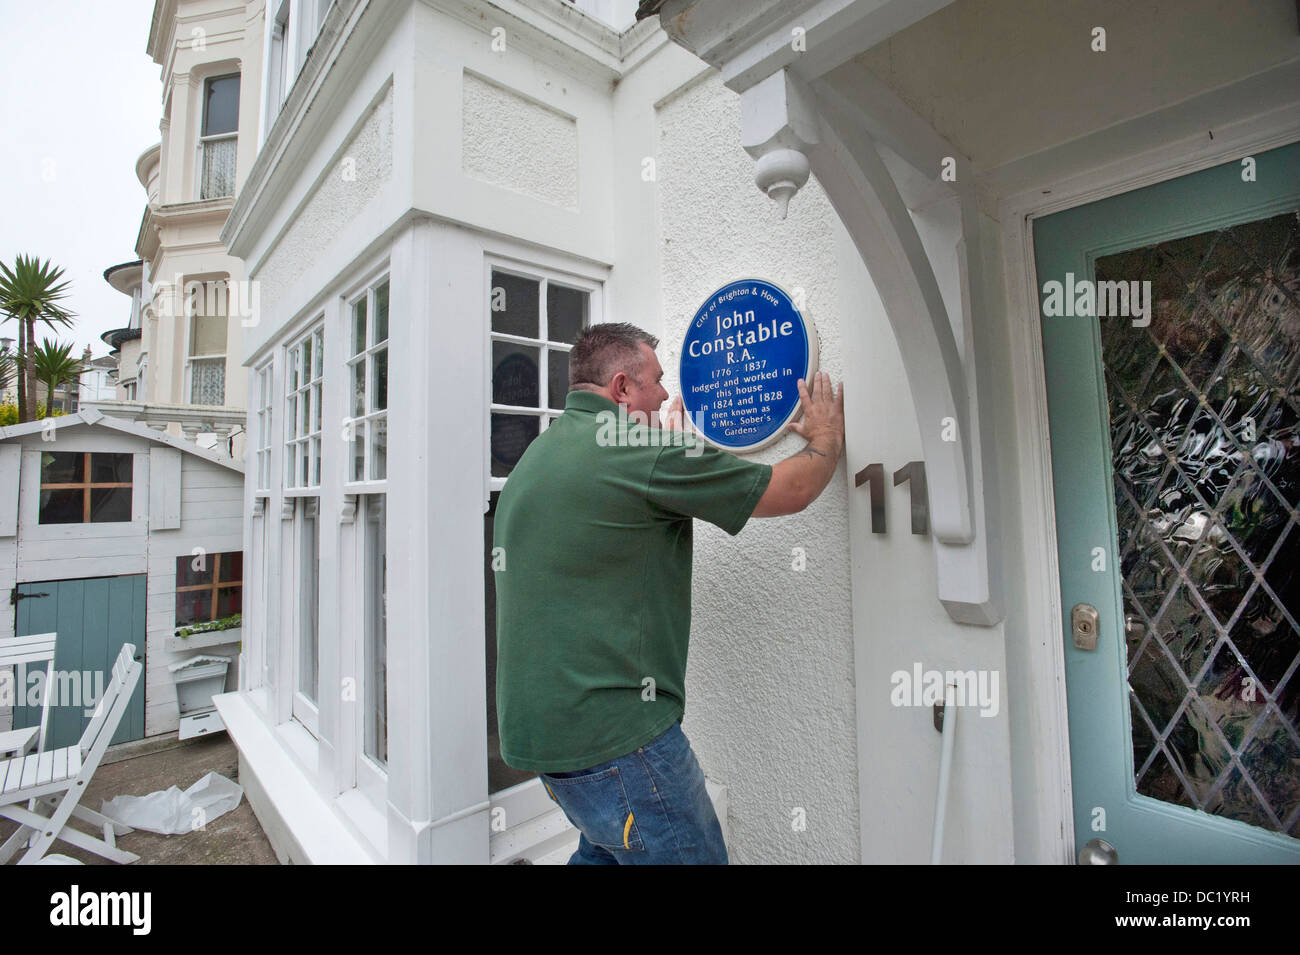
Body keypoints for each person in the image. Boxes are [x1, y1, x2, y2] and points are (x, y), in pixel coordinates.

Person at [493, 322, 844, 864]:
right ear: (621, 387)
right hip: (622, 745)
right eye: (656, 380)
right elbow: (792, 490)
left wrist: (671, 456)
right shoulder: (642, 452)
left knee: (608, 847)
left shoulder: (535, 460)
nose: (667, 395)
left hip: (549, 748)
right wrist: (824, 438)